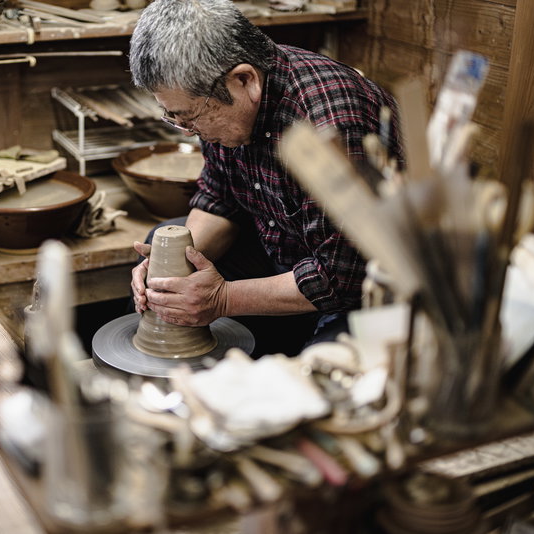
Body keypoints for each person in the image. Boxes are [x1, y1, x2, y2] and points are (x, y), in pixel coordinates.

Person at [128, 0, 403, 356]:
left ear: (245, 80)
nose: (187, 131)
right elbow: (219, 198)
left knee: (322, 374)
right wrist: (171, 267)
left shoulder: (329, 123)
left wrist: (222, 299)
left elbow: (341, 276)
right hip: (286, 255)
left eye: (189, 117)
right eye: (174, 117)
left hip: (369, 291)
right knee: (164, 245)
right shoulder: (220, 97)